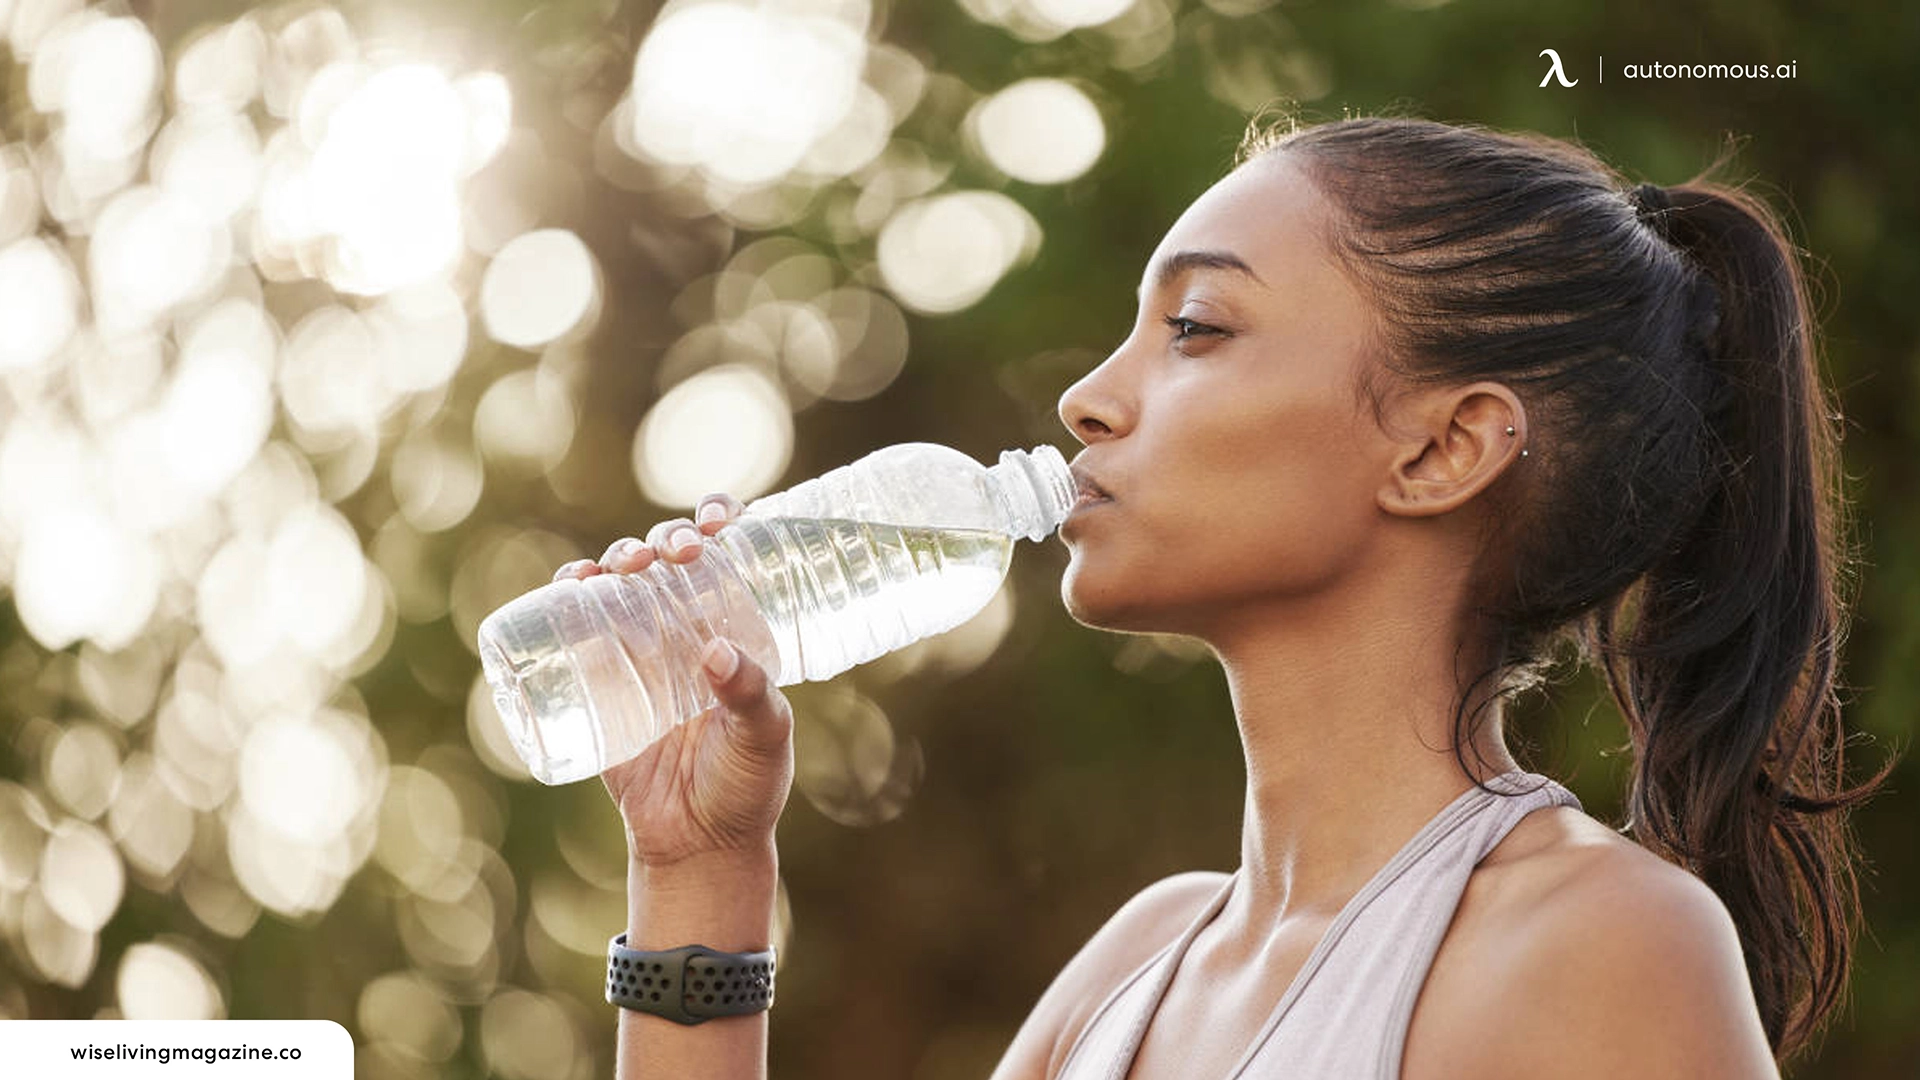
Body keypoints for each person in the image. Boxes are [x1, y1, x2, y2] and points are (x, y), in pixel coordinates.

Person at [550, 114, 1893, 1079]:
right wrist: (699, 873)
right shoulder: (1142, 965)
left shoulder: (1600, 953)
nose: (1088, 398)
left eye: (1195, 328)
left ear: (1440, 449)